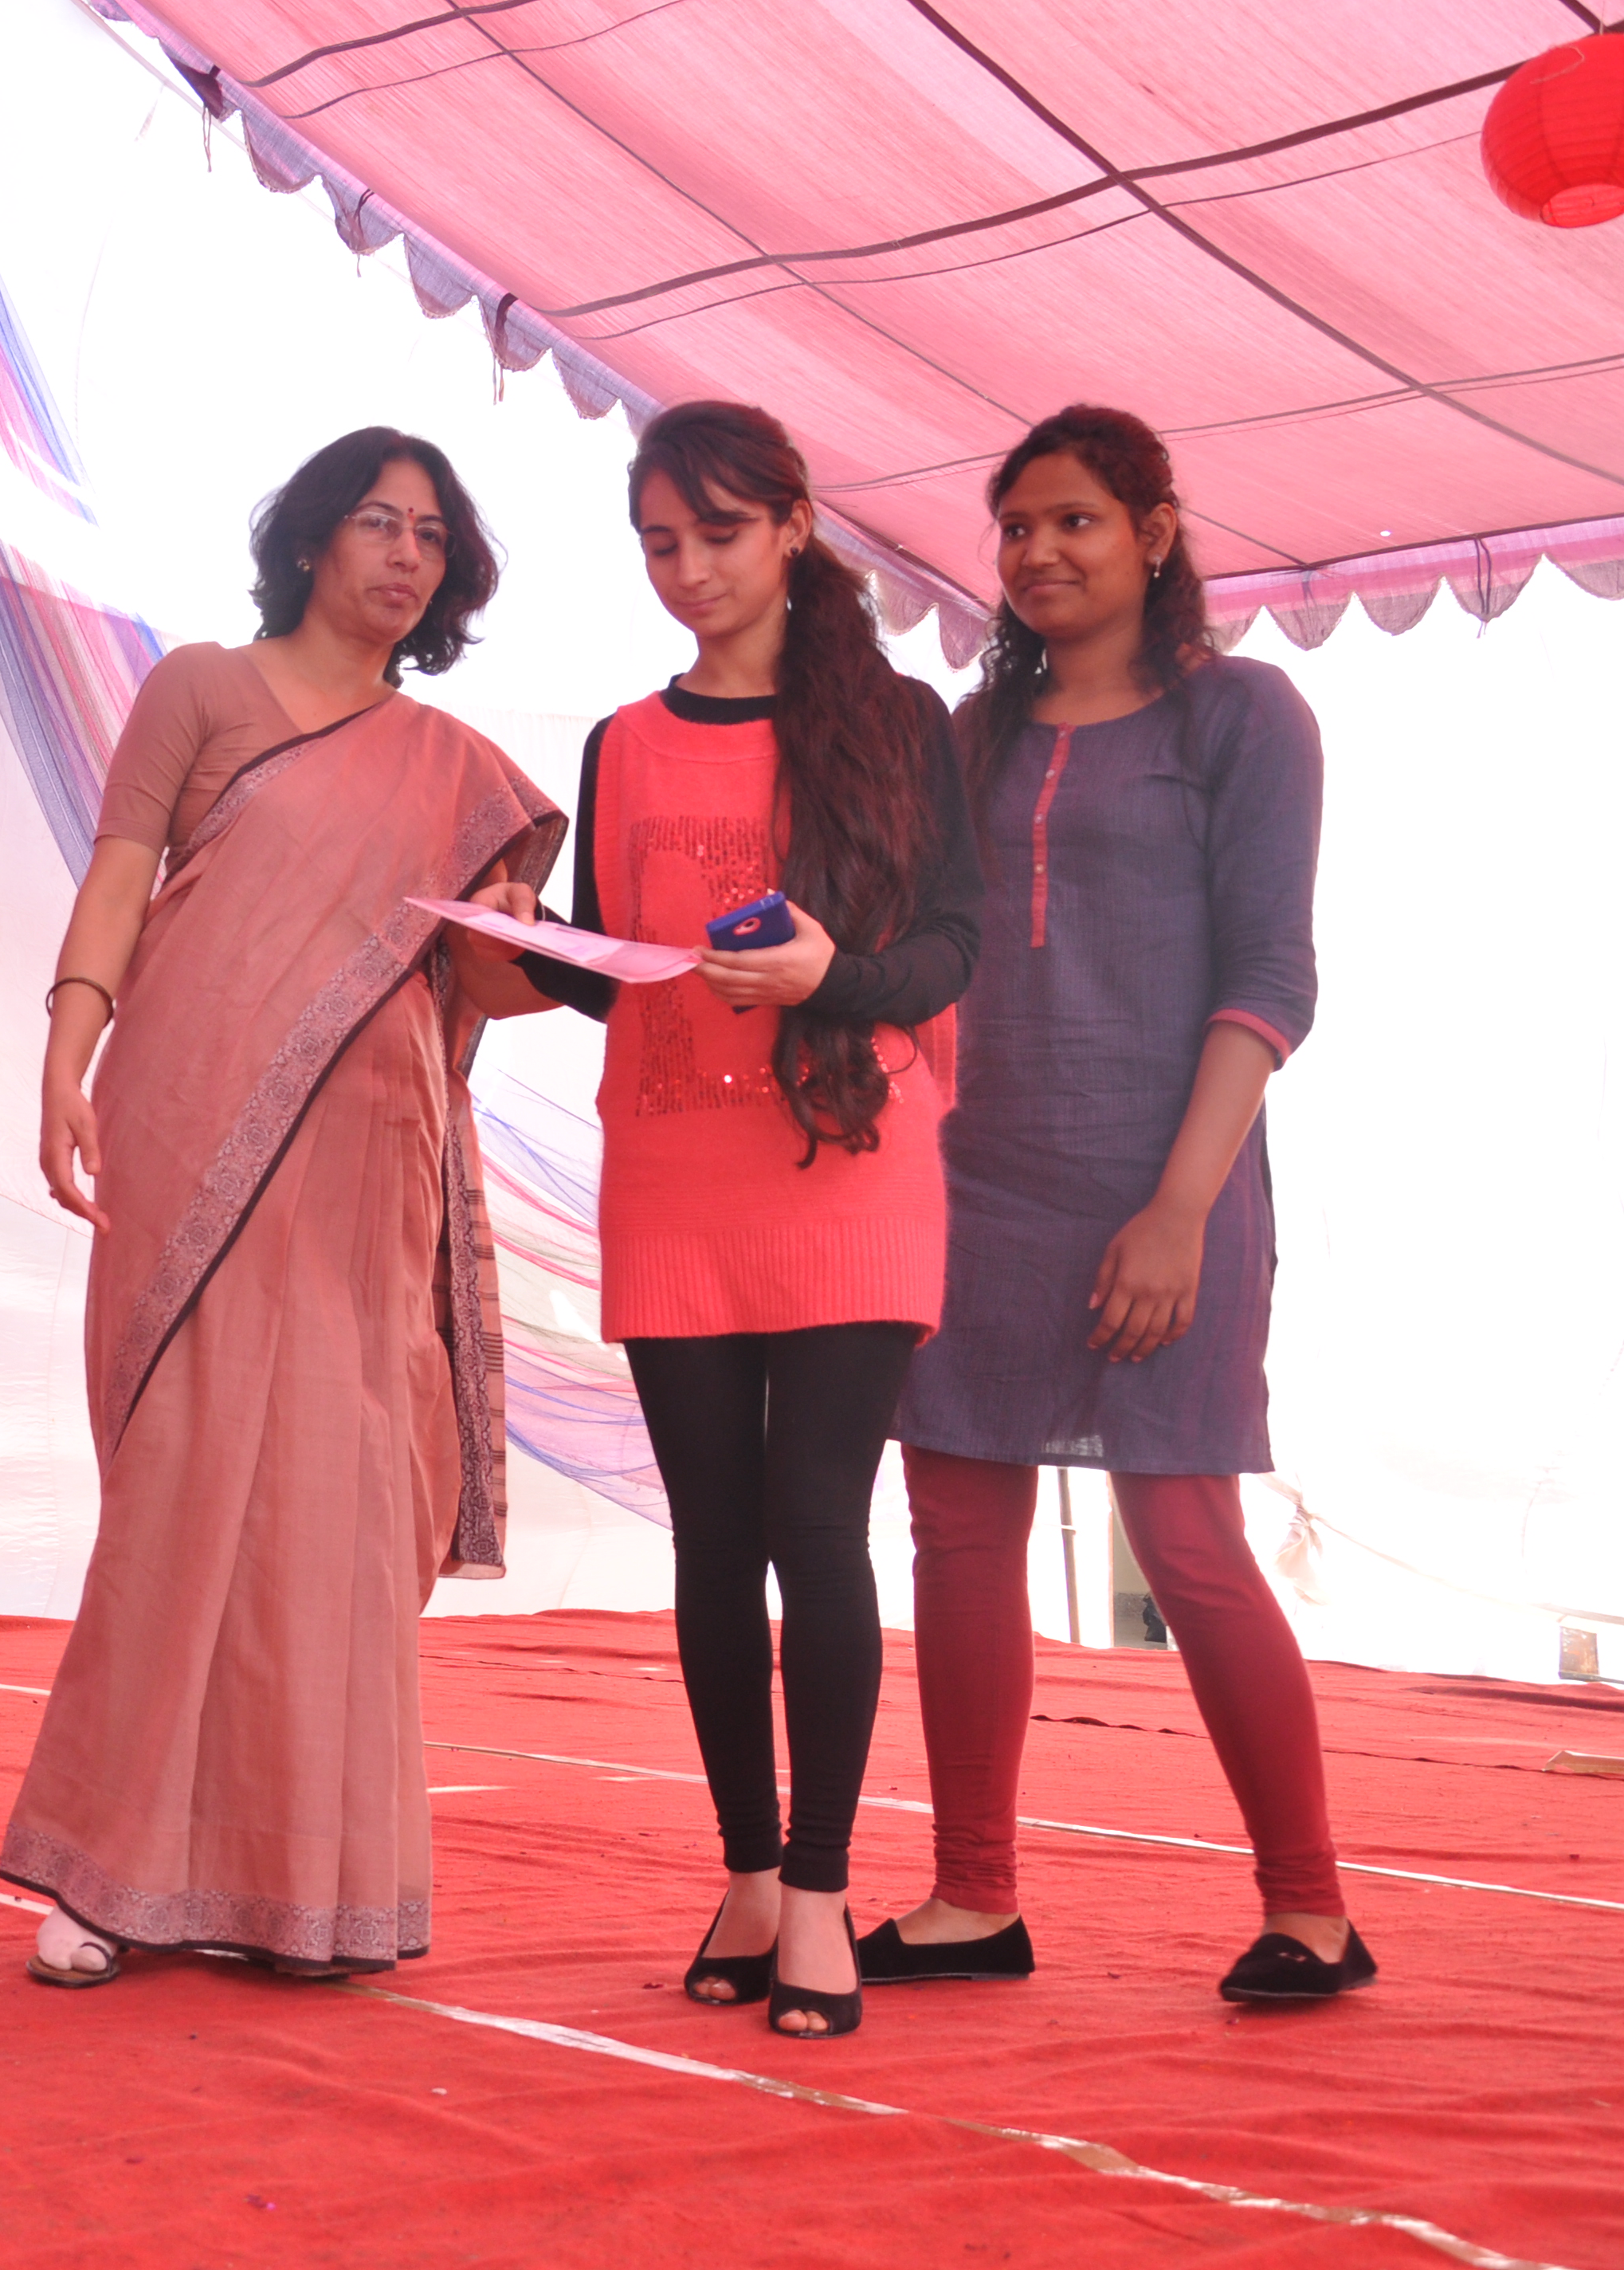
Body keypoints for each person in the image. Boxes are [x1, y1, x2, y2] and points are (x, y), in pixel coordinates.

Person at [5, 428, 562, 1989]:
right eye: (378, 522)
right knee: (179, 1481)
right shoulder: (199, 687)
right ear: (311, 538)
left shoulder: (458, 772)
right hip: (186, 1110)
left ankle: (302, 1889)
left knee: (333, 1500)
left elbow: (493, 988)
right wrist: (63, 1053)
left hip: (367, 1157)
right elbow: (120, 873)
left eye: (431, 538)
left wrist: (523, 935)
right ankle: (105, 1876)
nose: (404, 555)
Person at [875, 407, 1363, 2003]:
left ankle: (1310, 1910)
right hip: (972, 1181)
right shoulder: (967, 736)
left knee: (1186, 1531)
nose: (1037, 552)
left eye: (1074, 520)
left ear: (1154, 533)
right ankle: (971, 1896)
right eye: (1015, 527)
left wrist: (1176, 1210)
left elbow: (1271, 977)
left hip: (1171, 1180)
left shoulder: (1241, 714)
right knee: (957, 1526)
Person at [522, 401, 978, 2039]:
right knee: (712, 1541)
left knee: (815, 1527)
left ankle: (823, 1889)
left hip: (853, 1164)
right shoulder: (620, 741)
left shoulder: (898, 723)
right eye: (659, 542)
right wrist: (527, 939)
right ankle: (746, 1870)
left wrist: (830, 977)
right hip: (672, 1175)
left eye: (717, 534)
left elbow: (950, 947)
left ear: (791, 525)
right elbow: (617, 969)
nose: (688, 571)